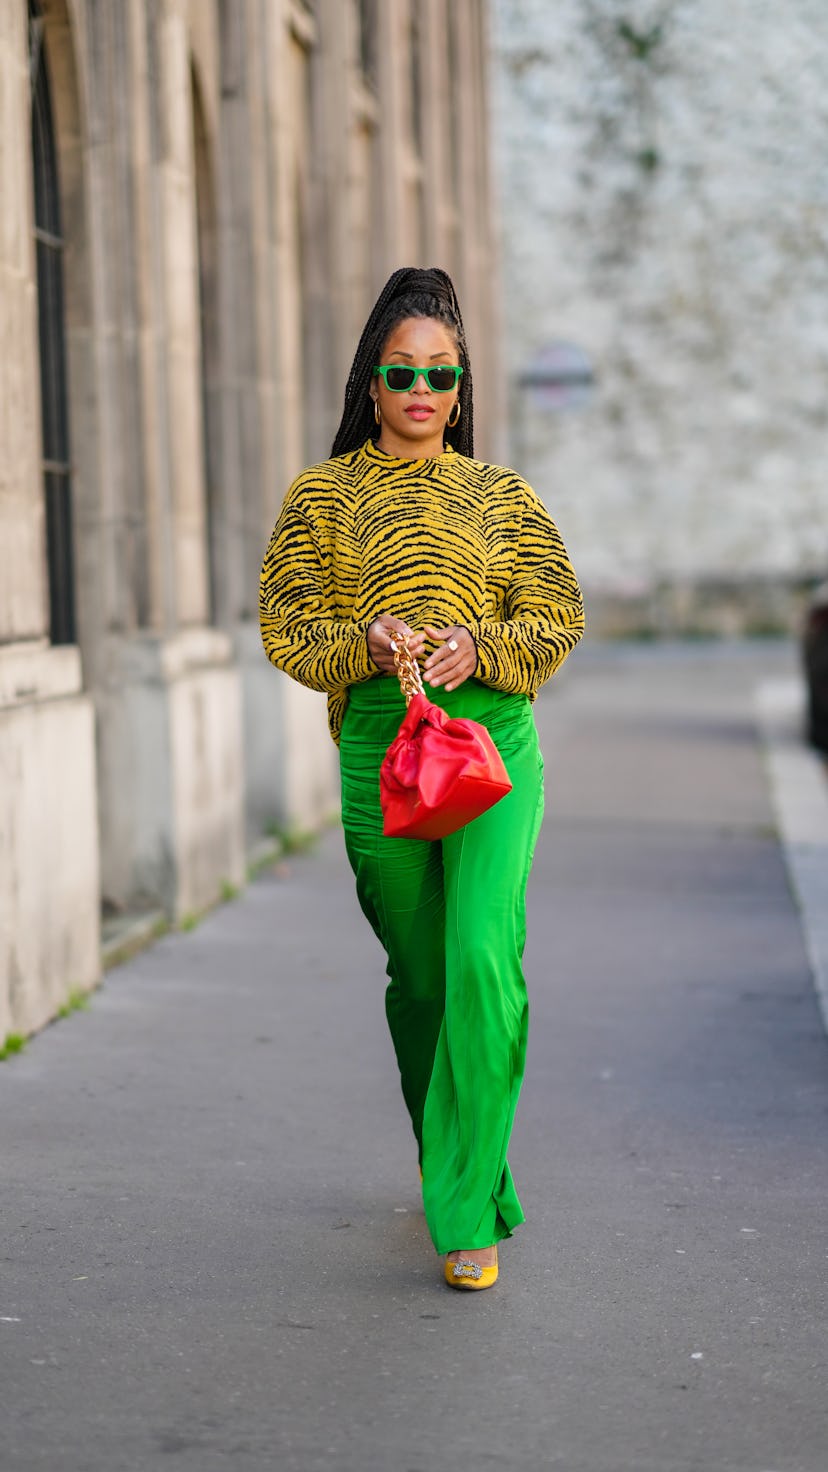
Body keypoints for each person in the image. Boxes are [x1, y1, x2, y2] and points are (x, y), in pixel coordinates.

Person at [260, 267, 584, 1290]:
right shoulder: (322, 497)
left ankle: (465, 1205)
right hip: (380, 748)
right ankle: (455, 1148)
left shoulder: (502, 496)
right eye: (401, 371)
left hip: (491, 747)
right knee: (425, 976)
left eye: (441, 374)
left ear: (460, 385)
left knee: (483, 958)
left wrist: (482, 645)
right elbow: (285, 625)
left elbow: (558, 616)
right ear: (372, 381)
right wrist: (363, 639)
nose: (420, 389)